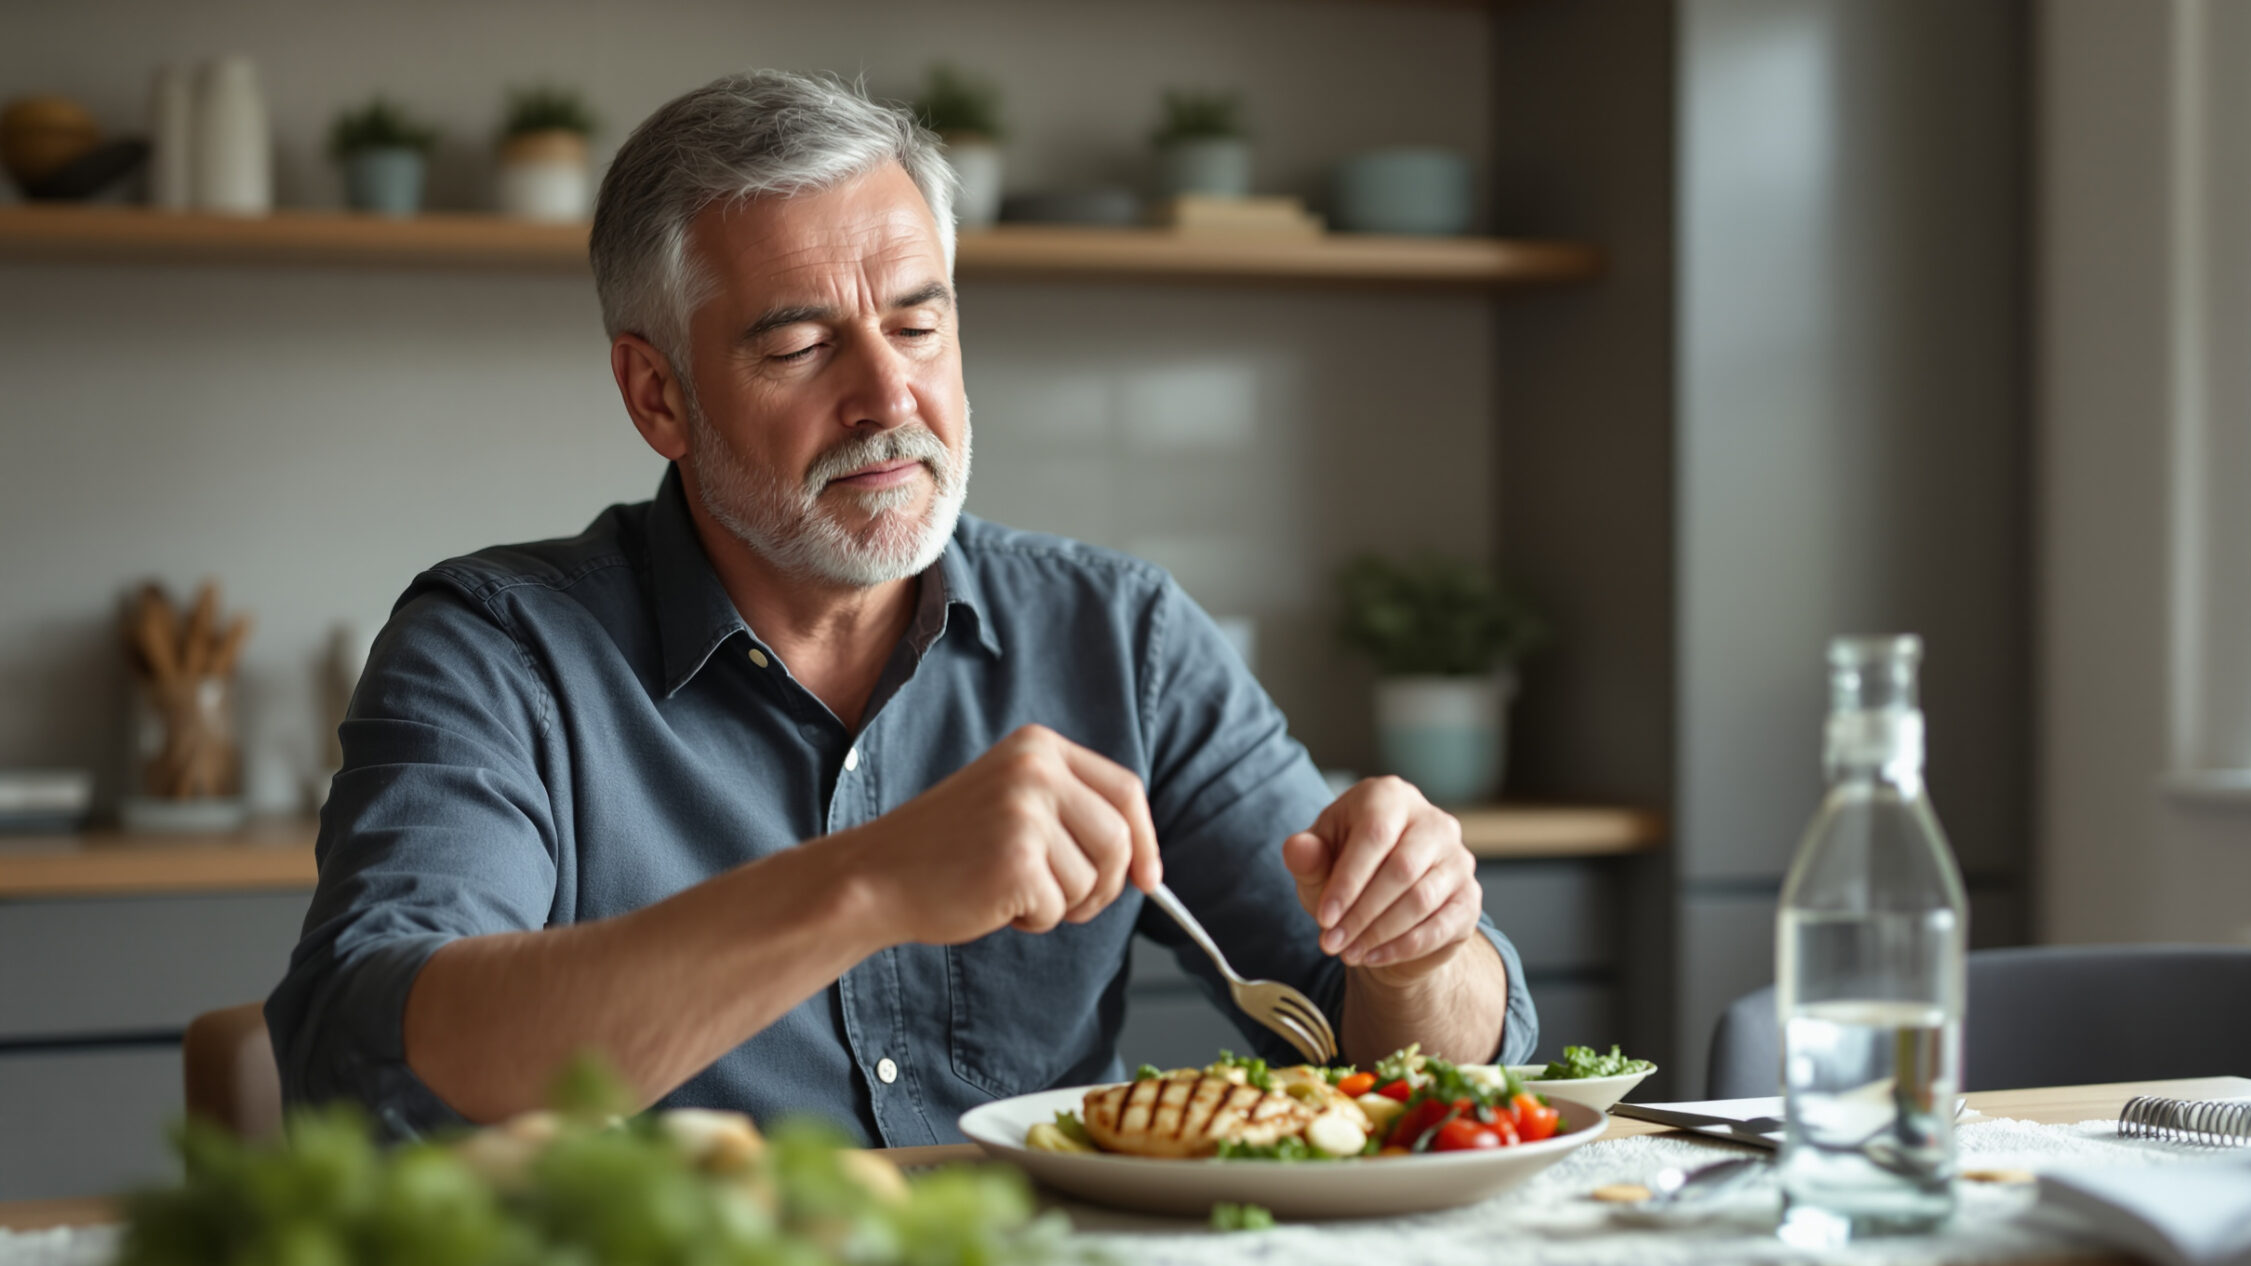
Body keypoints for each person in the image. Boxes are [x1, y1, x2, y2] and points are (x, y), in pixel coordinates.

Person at [265, 70, 1538, 1145]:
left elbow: (1412, 1065)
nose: (889, 398)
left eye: (919, 325)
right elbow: (371, 1058)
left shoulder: (1121, 634)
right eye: (800, 346)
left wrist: (1418, 950)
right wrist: (866, 880)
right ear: (657, 396)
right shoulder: (497, 651)